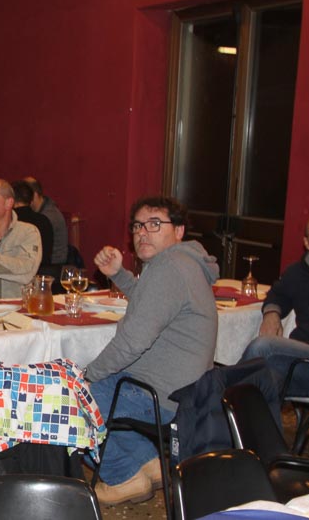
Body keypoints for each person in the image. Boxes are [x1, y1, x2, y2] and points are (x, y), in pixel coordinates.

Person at [87, 196, 219, 505]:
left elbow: (132, 343)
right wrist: (119, 274)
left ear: (179, 231)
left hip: (159, 397)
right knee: (97, 381)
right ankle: (150, 465)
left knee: (69, 396)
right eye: (137, 226)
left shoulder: (168, 267)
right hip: (186, 394)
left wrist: (85, 377)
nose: (143, 233)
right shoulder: (183, 263)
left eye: (155, 224)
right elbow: (152, 302)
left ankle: (123, 476)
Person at [239, 210, 309, 396]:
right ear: (307, 243)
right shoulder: (297, 273)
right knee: (263, 379)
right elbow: (277, 294)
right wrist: (271, 314)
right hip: (303, 362)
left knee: (264, 347)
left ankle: (217, 402)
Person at [12, 179, 55, 276]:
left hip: (19, 276)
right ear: (31, 201)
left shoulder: (11, 221)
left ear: (11, 200)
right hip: (43, 274)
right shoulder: (44, 220)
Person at [23, 176, 68, 266]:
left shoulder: (48, 217)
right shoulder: (45, 210)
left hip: (53, 266)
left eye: (24, 197)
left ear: (34, 195)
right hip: (48, 263)